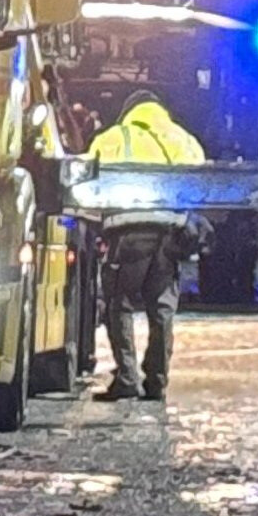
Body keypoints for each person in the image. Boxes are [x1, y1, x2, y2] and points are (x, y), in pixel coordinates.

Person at [87, 92, 206, 403]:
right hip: (170, 235)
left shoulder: (113, 137)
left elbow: (89, 183)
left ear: (127, 112)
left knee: (119, 304)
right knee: (162, 310)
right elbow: (201, 184)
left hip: (129, 233)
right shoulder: (183, 138)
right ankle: (157, 381)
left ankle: (127, 378)